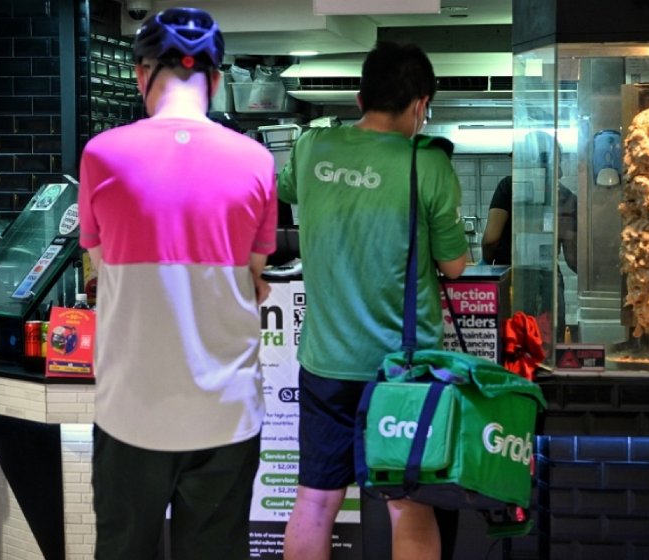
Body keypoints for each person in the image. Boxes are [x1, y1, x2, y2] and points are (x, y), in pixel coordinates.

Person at [78, 7, 277, 559]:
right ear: (215, 79)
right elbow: (252, 277)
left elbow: (99, 261)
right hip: (226, 413)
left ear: (142, 74)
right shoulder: (258, 161)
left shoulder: (102, 155)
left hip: (130, 411)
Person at [278, 41, 470, 560]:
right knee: (409, 504)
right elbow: (455, 266)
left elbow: (285, 190)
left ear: (360, 96)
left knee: (315, 501)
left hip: (325, 363)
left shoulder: (312, 147)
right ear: (421, 104)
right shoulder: (427, 165)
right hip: (401, 370)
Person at [481, 131, 578, 339]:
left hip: (511, 278)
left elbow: (491, 238)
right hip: (549, 282)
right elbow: (573, 259)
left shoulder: (508, 187)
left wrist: (486, 263)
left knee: (512, 347)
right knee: (548, 349)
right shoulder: (567, 197)